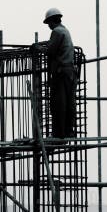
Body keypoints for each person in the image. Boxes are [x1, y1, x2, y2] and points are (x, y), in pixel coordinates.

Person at [34, 8, 77, 139]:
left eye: (49, 23)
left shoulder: (57, 32)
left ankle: (60, 133)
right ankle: (69, 131)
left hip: (61, 73)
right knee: (69, 102)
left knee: (59, 104)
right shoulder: (65, 31)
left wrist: (38, 47)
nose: (49, 26)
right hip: (69, 73)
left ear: (53, 21)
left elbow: (51, 51)